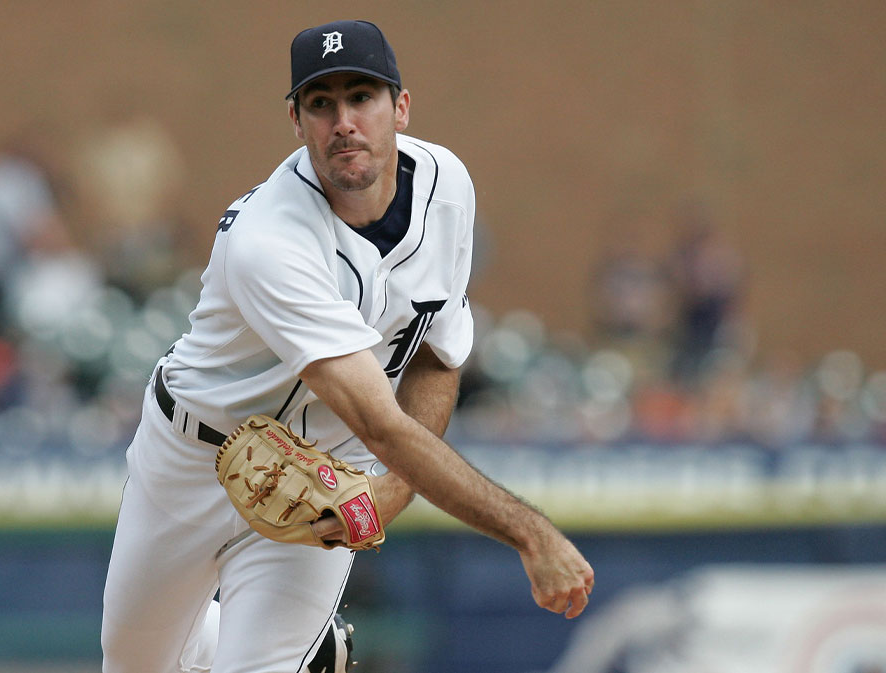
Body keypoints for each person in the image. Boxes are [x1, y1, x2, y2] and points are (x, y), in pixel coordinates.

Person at [100, 20, 594, 673]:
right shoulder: (269, 240)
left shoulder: (447, 187)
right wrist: (530, 531)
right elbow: (383, 425)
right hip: (190, 460)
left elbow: (435, 356)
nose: (344, 121)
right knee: (133, 664)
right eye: (321, 103)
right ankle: (237, 640)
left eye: (362, 96)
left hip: (322, 475)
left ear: (402, 106)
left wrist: (388, 492)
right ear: (297, 121)